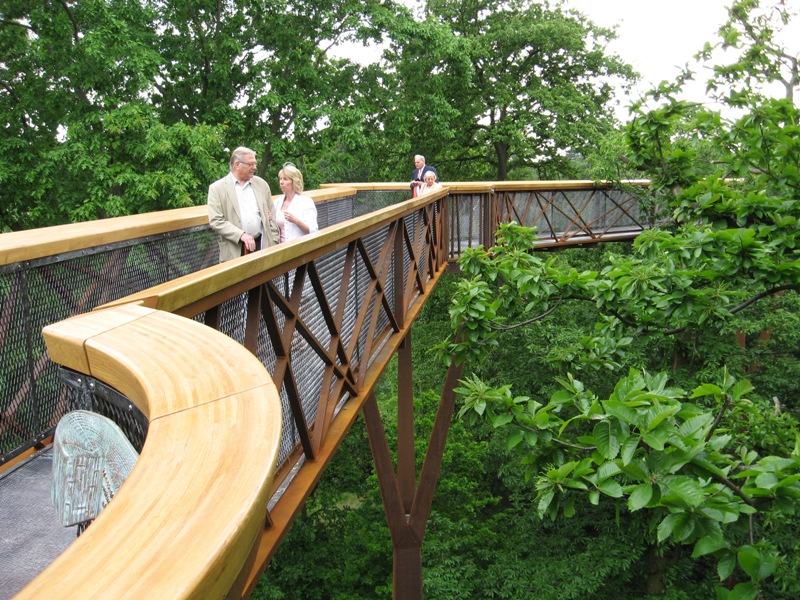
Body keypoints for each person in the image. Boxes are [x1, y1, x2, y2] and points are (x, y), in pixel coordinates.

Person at [207, 147, 279, 262]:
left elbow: (272, 215)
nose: (254, 167)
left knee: (265, 280)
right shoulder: (217, 188)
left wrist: (274, 241)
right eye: (250, 164)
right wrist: (241, 235)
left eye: (255, 164)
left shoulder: (262, 184)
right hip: (234, 251)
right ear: (237, 165)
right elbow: (216, 221)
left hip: (262, 247)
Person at [274, 163, 318, 243]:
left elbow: (313, 231)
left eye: (285, 179)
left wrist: (296, 221)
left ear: (294, 181)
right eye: (280, 179)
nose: (281, 182)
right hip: (280, 250)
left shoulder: (306, 202)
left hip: (299, 248)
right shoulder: (277, 203)